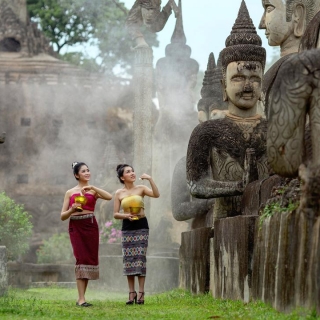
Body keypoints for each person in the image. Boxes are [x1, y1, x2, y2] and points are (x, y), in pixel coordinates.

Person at [60, 161, 112, 307]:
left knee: (88, 259)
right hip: (76, 225)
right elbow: (63, 216)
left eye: (88, 170)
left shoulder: (93, 191)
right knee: (80, 258)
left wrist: (93, 187)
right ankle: (81, 298)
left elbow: (109, 197)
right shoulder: (70, 192)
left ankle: (82, 298)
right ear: (76, 175)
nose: (87, 173)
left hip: (90, 225)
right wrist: (72, 210)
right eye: (83, 171)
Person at [113, 164, 160, 305]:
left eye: (133, 170)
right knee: (129, 260)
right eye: (128, 172)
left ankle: (141, 292)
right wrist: (126, 216)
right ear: (122, 177)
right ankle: (131, 292)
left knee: (140, 258)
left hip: (141, 225)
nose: (132, 173)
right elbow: (115, 214)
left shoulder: (141, 188)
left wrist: (150, 179)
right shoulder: (119, 193)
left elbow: (156, 194)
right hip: (127, 227)